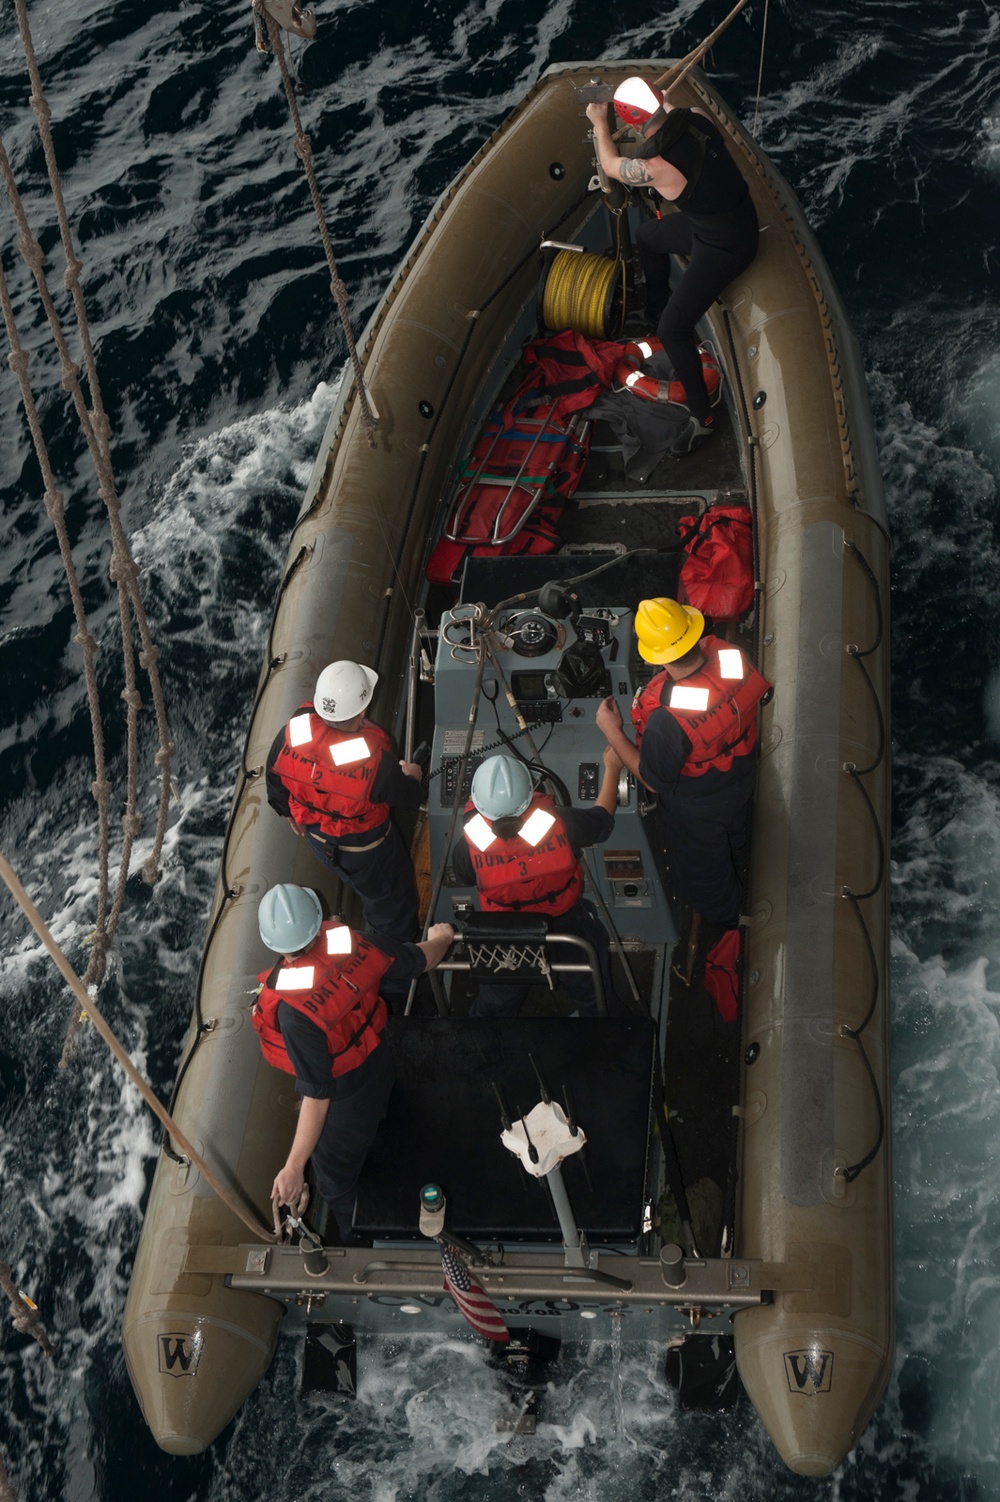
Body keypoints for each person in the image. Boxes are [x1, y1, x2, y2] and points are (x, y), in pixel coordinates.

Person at [253, 882, 454, 1242]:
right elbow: (419, 961)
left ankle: (356, 1236)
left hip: (343, 1101)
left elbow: (317, 1093)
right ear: (318, 922)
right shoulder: (356, 942)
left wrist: (296, 1165)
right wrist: (443, 937)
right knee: (385, 1111)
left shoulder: (293, 1014)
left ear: (275, 945)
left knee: (336, 1182)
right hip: (379, 1063)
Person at [586, 77, 759, 455]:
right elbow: (670, 110)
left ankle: (703, 416)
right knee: (648, 237)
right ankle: (655, 310)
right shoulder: (697, 117)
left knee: (674, 328)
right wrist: (650, 99)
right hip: (715, 224)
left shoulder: (658, 165)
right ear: (660, 99)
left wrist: (600, 123)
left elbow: (613, 167)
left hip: (727, 246)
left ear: (633, 124)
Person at [595, 597, 770, 929]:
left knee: (703, 873)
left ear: (655, 655)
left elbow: (652, 780)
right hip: (741, 773)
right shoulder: (731, 655)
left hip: (698, 804)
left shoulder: (665, 721)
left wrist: (613, 733)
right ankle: (743, 867)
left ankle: (729, 923)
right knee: (737, 834)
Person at [450, 750, 622, 1017]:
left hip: (505, 936)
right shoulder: (563, 822)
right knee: (591, 987)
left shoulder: (468, 847)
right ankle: (600, 1029)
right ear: (529, 793)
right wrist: (612, 768)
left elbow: (464, 876)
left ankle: (484, 1037)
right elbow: (603, 823)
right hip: (567, 924)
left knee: (497, 1000)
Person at [266, 660, 421, 942]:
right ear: (363, 711)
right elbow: (410, 798)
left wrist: (288, 812)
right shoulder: (376, 765)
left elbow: (274, 780)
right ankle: (398, 966)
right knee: (391, 906)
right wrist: (412, 775)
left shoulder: (292, 731)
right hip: (368, 852)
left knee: (365, 887)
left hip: (317, 839)